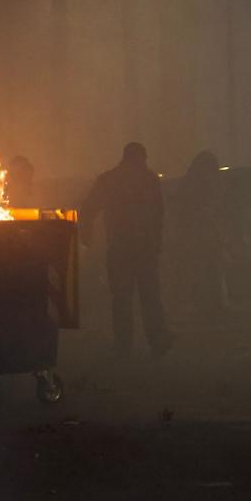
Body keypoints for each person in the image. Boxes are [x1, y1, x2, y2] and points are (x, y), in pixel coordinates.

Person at [80, 142, 172, 358]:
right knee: (150, 296)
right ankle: (157, 341)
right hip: (143, 248)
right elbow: (158, 214)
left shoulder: (109, 180)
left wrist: (86, 236)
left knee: (122, 298)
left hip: (120, 248)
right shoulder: (148, 179)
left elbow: (89, 208)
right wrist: (158, 242)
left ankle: (124, 345)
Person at [168, 151, 227, 321]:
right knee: (200, 270)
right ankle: (205, 304)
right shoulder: (198, 186)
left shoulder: (194, 184)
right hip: (197, 235)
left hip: (202, 235)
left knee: (207, 269)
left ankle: (210, 303)